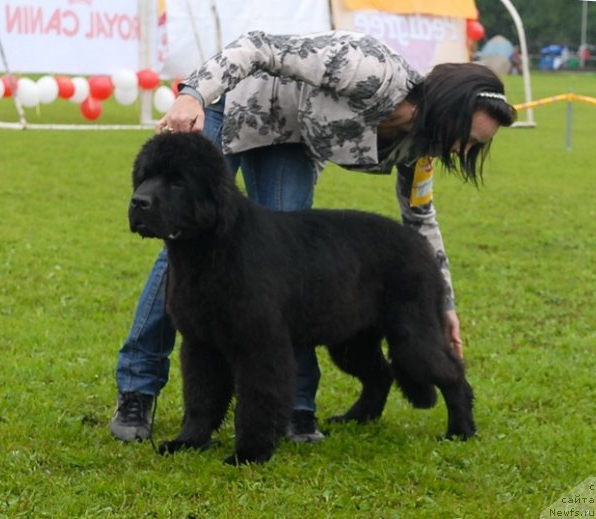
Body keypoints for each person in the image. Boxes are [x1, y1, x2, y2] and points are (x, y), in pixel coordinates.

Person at [111, 30, 516, 444]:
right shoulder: (368, 69)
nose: (464, 150)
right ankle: (137, 390)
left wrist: (443, 305)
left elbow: (420, 220)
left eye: (474, 146)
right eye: (468, 137)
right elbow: (258, 46)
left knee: (287, 277)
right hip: (233, 104)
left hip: (289, 139)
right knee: (181, 246)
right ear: (450, 106)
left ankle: (294, 409)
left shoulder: (420, 146)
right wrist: (193, 94)